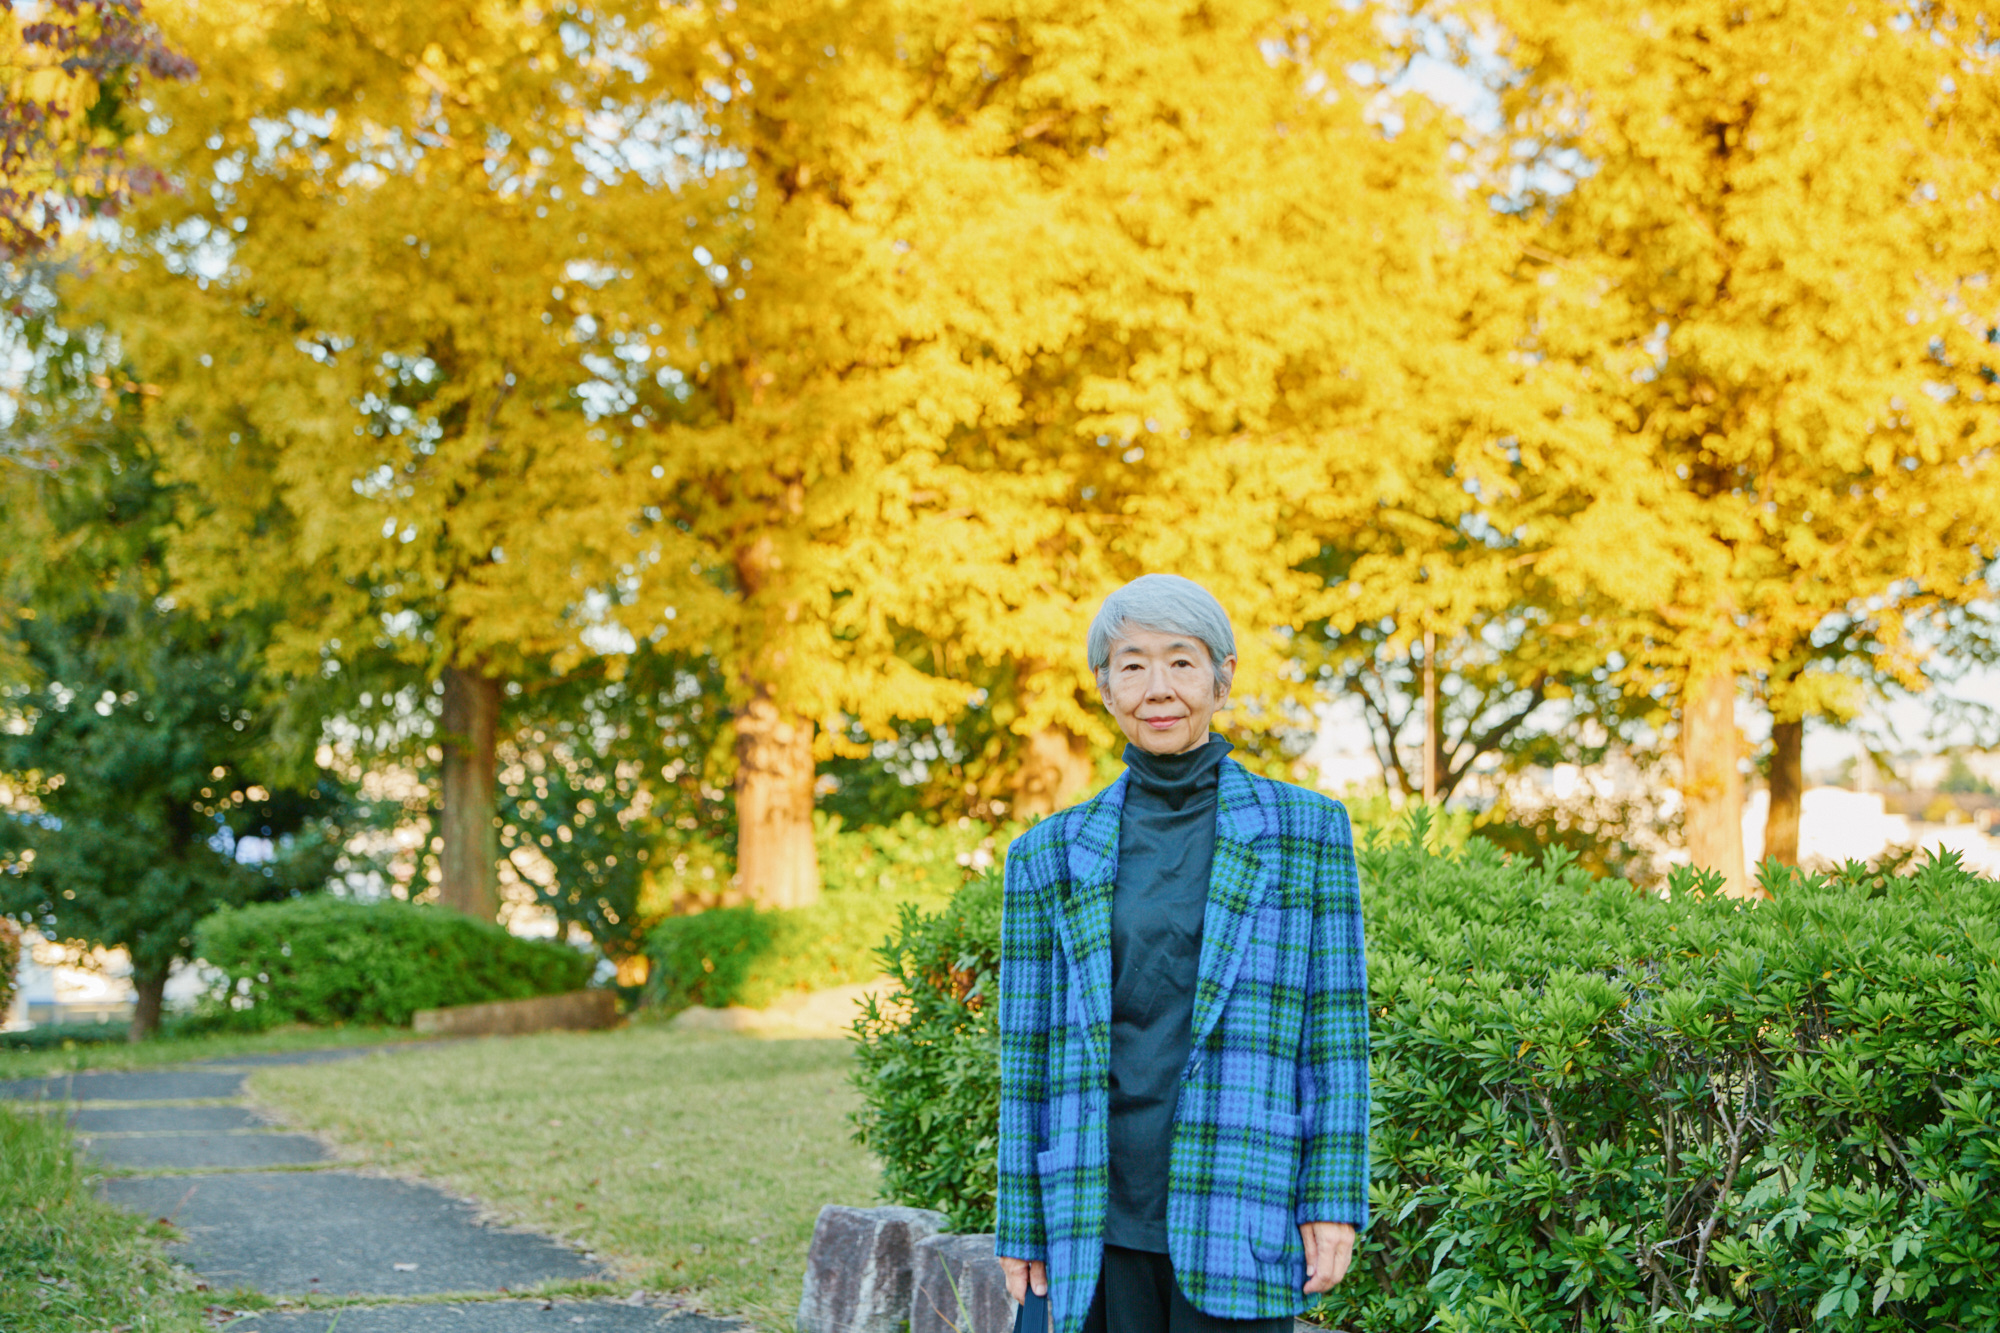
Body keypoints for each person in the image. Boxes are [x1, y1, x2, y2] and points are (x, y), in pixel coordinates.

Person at [995, 574, 1370, 1333]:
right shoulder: (1049, 853)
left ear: (1222, 679)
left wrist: (1332, 1201)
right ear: (1104, 687)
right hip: (1089, 1214)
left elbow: (1336, 1038)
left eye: (1181, 662)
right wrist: (1019, 1219)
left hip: (1239, 1200)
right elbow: (1024, 1054)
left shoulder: (1307, 832)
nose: (1156, 688)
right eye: (1132, 665)